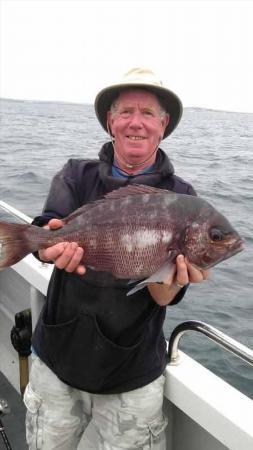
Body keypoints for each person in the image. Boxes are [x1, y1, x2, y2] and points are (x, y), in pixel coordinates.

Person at [24, 68, 209, 449]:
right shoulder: (76, 175)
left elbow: (161, 297)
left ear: (163, 123)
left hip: (132, 373)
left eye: (147, 113)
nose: (135, 123)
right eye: (125, 112)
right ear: (111, 121)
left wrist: (174, 276)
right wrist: (47, 245)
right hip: (58, 359)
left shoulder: (182, 197)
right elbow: (46, 234)